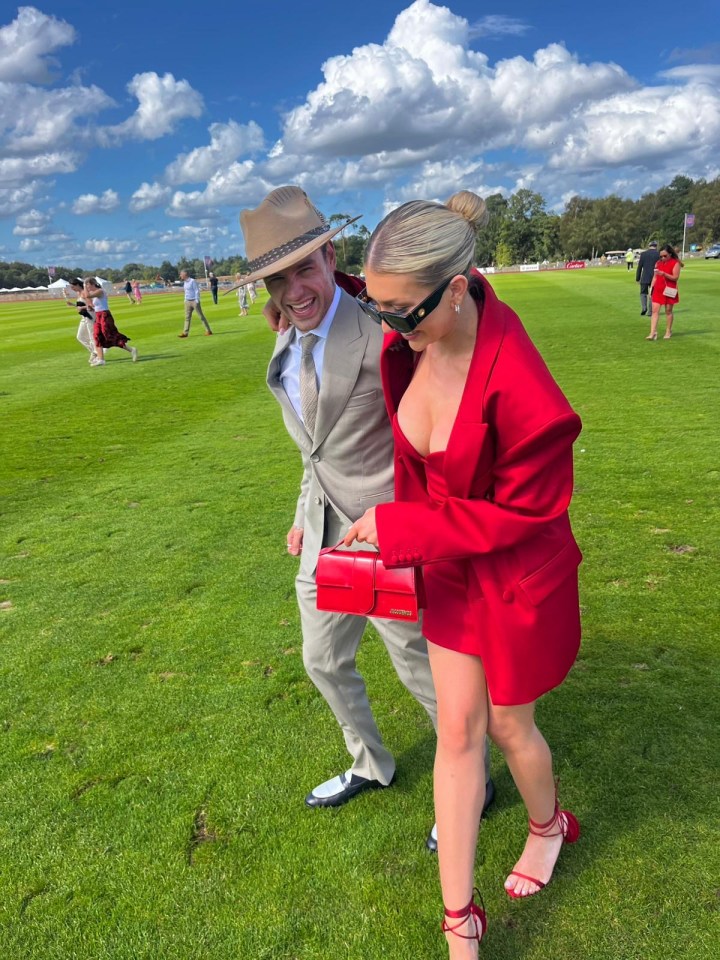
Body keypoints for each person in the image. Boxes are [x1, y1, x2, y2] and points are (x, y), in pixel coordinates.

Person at [344, 191, 582, 957]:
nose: (388, 328)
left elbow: (524, 514)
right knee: (456, 731)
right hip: (448, 566)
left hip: (511, 572)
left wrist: (403, 528)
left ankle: (550, 827)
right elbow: (419, 471)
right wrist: (395, 532)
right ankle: (460, 926)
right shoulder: (404, 342)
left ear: (457, 285)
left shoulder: (525, 389)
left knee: (511, 725)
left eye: (401, 311)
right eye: (374, 306)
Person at [236, 185, 494, 826]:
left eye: (304, 269)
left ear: (330, 256)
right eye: (277, 279)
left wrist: (417, 524)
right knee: (322, 659)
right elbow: (314, 450)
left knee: (419, 670)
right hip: (324, 529)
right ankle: (369, 762)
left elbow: (456, 335)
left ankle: (472, 783)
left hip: (388, 536)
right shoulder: (286, 337)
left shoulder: (387, 330)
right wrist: (304, 514)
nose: (294, 290)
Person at [84, 278, 138, 364]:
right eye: (86, 285)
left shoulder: (100, 291)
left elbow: (87, 296)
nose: (87, 287)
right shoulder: (94, 294)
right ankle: (101, 359)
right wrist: (90, 306)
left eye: (87, 285)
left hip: (105, 315)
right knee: (97, 336)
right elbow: (92, 302)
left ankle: (132, 350)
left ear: (93, 284)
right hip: (98, 316)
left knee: (109, 336)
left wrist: (84, 287)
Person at [647, 243, 683, 341]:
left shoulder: (675, 263)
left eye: (665, 256)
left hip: (669, 289)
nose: (662, 258)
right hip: (658, 289)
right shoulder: (658, 263)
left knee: (668, 311)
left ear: (670, 254)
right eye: (661, 256)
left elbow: (675, 277)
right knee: (654, 311)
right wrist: (651, 289)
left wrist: (664, 274)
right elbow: (655, 277)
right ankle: (652, 332)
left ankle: (668, 331)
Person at [65, 277, 97, 363]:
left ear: (78, 285)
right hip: (84, 316)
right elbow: (81, 305)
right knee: (80, 336)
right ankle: (94, 352)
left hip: (90, 316)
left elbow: (92, 306)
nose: (72, 289)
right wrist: (72, 304)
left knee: (91, 336)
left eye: (73, 287)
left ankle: (96, 354)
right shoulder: (79, 293)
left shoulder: (84, 293)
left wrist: (81, 307)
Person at [178, 270, 212, 337]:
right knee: (187, 317)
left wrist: (197, 300)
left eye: (181, 274)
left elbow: (196, 290)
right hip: (187, 301)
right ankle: (185, 333)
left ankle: (208, 331)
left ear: (185, 274)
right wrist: (185, 300)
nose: (180, 276)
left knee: (201, 316)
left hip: (194, 301)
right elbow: (186, 291)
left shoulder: (192, 281)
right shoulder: (185, 282)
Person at [635, 241, 659, 317]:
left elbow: (639, 267)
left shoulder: (643, 254)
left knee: (643, 293)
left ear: (649, 246)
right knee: (652, 294)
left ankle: (644, 307)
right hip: (655, 277)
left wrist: (637, 278)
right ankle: (650, 311)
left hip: (645, 276)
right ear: (656, 246)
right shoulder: (659, 254)